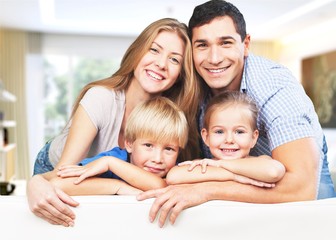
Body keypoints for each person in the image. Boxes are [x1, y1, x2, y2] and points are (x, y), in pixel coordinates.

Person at [137, 0, 336, 228]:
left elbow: (301, 187)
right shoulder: (192, 82)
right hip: (236, 182)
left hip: (299, 183)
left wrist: (207, 190)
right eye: (202, 45)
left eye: (225, 43)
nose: (214, 58)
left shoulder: (274, 86)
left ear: (246, 44)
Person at [27, 18, 200, 227]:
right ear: (137, 52)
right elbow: (60, 177)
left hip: (106, 176)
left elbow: (162, 183)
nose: (161, 64)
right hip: (57, 167)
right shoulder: (101, 98)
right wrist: (117, 186)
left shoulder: (169, 118)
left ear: (181, 74)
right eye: (154, 50)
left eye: (174, 60)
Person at [52, 96, 188, 195]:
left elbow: (159, 186)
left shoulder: (175, 171)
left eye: (169, 149)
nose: (158, 159)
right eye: (148, 145)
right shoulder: (113, 158)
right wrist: (117, 187)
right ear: (129, 144)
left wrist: (110, 163)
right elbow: (57, 184)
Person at [166, 91, 285, 187]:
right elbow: (173, 176)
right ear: (206, 137)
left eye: (239, 132)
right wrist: (234, 176)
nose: (229, 140)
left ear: (254, 138)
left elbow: (273, 172)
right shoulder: (204, 165)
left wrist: (220, 165)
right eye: (219, 131)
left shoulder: (260, 161)